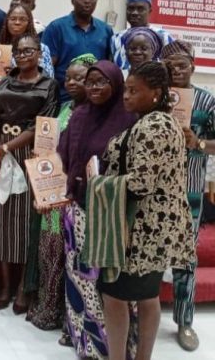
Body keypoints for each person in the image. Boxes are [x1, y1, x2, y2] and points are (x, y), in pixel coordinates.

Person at [99, 61, 195, 360]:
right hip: (155, 229)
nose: (125, 96)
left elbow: (141, 183)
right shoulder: (159, 121)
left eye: (133, 91)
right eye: (125, 90)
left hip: (138, 230)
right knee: (148, 295)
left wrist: (99, 184)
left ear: (155, 93)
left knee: (114, 297)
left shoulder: (153, 126)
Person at [57, 60, 138, 358]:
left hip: (110, 216)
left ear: (116, 84)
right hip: (77, 210)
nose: (94, 87)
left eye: (101, 82)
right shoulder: (78, 116)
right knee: (79, 279)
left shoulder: (128, 120)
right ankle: (85, 343)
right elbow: (63, 156)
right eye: (90, 82)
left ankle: (113, 347)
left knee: (107, 283)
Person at [27, 53, 96, 333]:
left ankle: (70, 321)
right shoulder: (64, 108)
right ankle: (48, 308)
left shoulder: (94, 114)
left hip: (76, 195)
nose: (73, 82)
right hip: (53, 189)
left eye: (80, 78)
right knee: (49, 254)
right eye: (69, 77)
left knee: (70, 259)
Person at [0, 34, 59, 313]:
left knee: (28, 222)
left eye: (29, 50)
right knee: (4, 220)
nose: (23, 54)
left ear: (39, 53)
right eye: (19, 51)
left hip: (29, 154)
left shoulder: (49, 85)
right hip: (0, 152)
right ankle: (6, 286)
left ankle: (23, 287)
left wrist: (7, 147)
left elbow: (44, 123)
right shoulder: (4, 82)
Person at [162, 41, 215, 351]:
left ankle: (184, 322)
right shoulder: (156, 97)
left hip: (189, 191)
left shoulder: (207, 101)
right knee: (149, 256)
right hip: (155, 190)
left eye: (182, 65)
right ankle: (143, 316)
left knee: (185, 258)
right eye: (170, 66)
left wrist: (197, 143)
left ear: (193, 66)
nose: (176, 71)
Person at [42, 0, 113, 102]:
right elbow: (47, 68)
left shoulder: (106, 30)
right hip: (63, 98)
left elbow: (108, 66)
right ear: (72, 1)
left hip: (96, 99)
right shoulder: (56, 27)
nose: (87, 1)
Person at [111, 0, 173, 70]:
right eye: (131, 8)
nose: (135, 13)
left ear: (150, 11)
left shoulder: (164, 37)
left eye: (140, 9)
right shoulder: (116, 38)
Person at [0, 3, 54, 78]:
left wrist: (15, 73)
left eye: (22, 19)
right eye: (13, 19)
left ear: (29, 23)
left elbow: (48, 77)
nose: (17, 22)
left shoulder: (41, 48)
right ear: (7, 21)